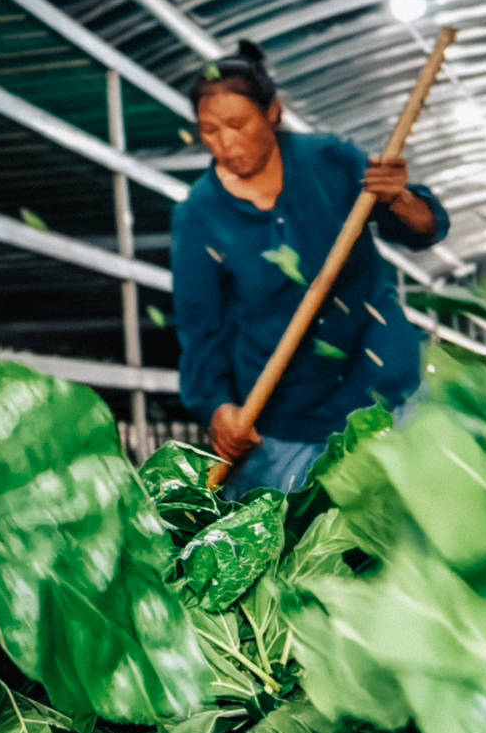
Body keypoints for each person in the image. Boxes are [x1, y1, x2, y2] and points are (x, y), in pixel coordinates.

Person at [171, 39, 447, 497]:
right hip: (285, 423)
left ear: (273, 113)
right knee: (306, 546)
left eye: (238, 124)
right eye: (210, 130)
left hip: (385, 391)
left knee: (415, 523)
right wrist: (221, 410)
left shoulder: (330, 163)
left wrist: (399, 196)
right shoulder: (199, 216)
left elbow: (423, 230)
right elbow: (202, 332)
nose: (226, 142)